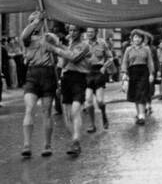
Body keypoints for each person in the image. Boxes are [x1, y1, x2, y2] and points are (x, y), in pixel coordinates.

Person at [19, 13, 85, 158]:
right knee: (29, 109)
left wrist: (53, 44)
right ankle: (27, 145)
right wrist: (36, 22)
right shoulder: (26, 39)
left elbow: (63, 51)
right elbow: (25, 35)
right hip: (32, 74)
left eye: (38, 21)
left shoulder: (49, 37)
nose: (35, 24)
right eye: (32, 21)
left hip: (48, 75)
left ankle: (47, 145)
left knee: (47, 111)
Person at [59, 24, 92, 157]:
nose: (72, 33)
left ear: (80, 32)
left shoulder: (84, 45)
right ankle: (75, 141)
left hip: (79, 78)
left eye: (75, 30)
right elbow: (63, 63)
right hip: (66, 78)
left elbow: (73, 57)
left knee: (75, 111)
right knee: (67, 115)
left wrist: (56, 48)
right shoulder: (67, 45)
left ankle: (76, 140)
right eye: (70, 30)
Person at [121, 29, 155, 125]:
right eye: (135, 37)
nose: (137, 39)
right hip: (132, 72)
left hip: (144, 72)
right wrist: (124, 73)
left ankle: (142, 116)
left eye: (139, 37)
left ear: (142, 39)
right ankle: (139, 113)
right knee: (136, 94)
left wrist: (151, 74)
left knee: (142, 93)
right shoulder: (128, 49)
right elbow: (124, 62)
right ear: (132, 38)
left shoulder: (146, 49)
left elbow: (150, 62)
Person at [83, 27, 113, 133]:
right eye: (88, 32)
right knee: (88, 101)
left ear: (96, 32)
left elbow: (110, 57)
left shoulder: (102, 43)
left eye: (91, 32)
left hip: (99, 72)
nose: (89, 34)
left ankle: (104, 115)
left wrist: (104, 67)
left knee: (100, 101)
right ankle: (92, 124)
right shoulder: (83, 44)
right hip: (87, 73)